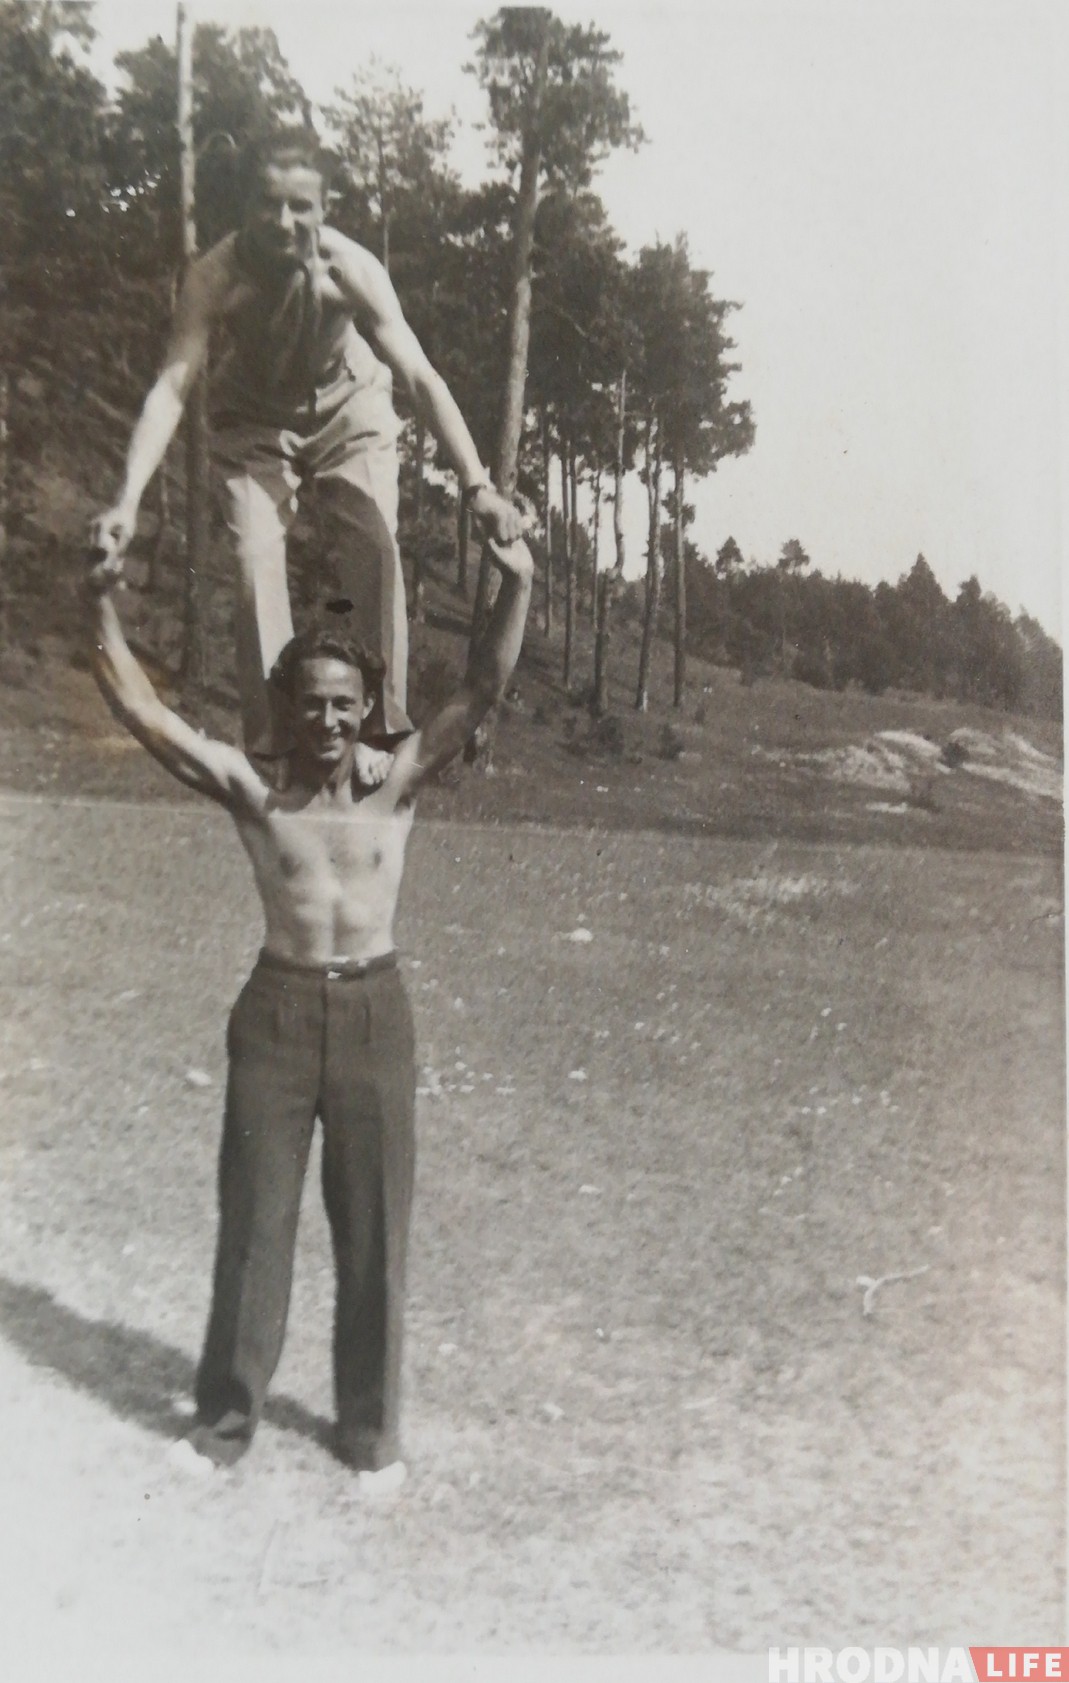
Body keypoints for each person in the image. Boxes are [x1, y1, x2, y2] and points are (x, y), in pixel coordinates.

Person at [85, 535, 534, 1481]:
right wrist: (99, 603)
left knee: (374, 1233)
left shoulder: (398, 783)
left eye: (343, 703)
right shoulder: (257, 791)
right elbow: (142, 710)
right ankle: (223, 1425)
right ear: (286, 706)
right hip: (278, 1013)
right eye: (311, 702)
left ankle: (369, 1437)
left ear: (365, 708)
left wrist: (516, 581)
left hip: (376, 1012)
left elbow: (481, 690)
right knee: (254, 1224)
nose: (326, 719)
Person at [91, 126, 522, 756]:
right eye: (268, 202)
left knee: (374, 550)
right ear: (245, 205)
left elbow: (420, 377)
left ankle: (379, 738)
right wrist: (126, 501)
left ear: (325, 208)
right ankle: (273, 749)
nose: (283, 220)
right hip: (255, 420)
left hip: (351, 406)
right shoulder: (216, 275)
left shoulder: (350, 269)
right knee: (252, 559)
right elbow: (172, 388)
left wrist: (478, 485)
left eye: (301, 206)